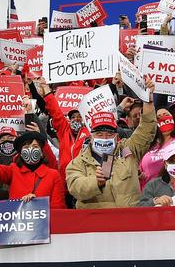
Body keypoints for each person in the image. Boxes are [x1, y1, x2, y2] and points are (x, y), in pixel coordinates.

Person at [66, 79, 157, 209]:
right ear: (91, 136)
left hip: (130, 222)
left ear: (116, 136)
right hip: (98, 224)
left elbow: (147, 129)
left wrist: (148, 101)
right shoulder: (78, 162)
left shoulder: (129, 150)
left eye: (109, 134)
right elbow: (75, 187)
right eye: (99, 134)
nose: (104, 138)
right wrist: (95, 182)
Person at [0, 131, 66, 208]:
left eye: (35, 146)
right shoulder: (13, 170)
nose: (31, 150)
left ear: (42, 153)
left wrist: (37, 204)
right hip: (15, 229)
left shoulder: (53, 175)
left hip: (42, 231)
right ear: (20, 153)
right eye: (26, 147)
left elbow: (58, 209)